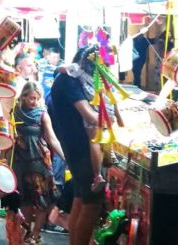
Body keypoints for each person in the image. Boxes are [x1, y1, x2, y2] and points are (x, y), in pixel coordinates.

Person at [50, 46, 105, 245]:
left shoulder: (69, 79)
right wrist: (109, 118)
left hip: (76, 148)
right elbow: (89, 115)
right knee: (92, 203)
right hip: (81, 150)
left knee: (81, 199)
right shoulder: (69, 81)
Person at [9, 81, 65, 244]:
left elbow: (51, 139)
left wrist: (65, 158)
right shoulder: (15, 113)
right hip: (20, 161)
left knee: (42, 199)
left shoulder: (42, 114)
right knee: (25, 199)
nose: (34, 101)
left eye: (37, 98)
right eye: (32, 98)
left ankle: (36, 233)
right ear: (24, 96)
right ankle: (27, 233)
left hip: (40, 161)